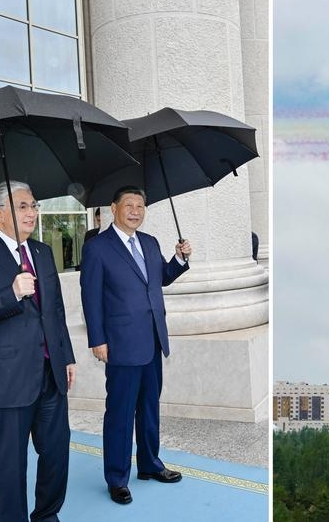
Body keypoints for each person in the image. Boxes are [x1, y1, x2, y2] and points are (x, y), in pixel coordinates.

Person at [0, 181, 76, 522]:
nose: (32, 213)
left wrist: (66, 356)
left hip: (50, 374)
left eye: (34, 206)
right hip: (5, 380)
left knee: (56, 453)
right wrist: (10, 294)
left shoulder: (42, 252)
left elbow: (55, 310)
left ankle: (46, 516)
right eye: (22, 206)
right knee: (9, 464)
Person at [80, 186, 192, 505]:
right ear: (113, 208)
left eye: (140, 206)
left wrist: (180, 259)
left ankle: (149, 465)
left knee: (149, 408)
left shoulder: (150, 242)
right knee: (120, 413)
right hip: (120, 344)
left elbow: (161, 278)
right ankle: (117, 477)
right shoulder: (98, 248)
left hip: (153, 339)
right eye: (128, 205)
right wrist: (97, 339)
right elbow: (90, 297)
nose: (135, 211)